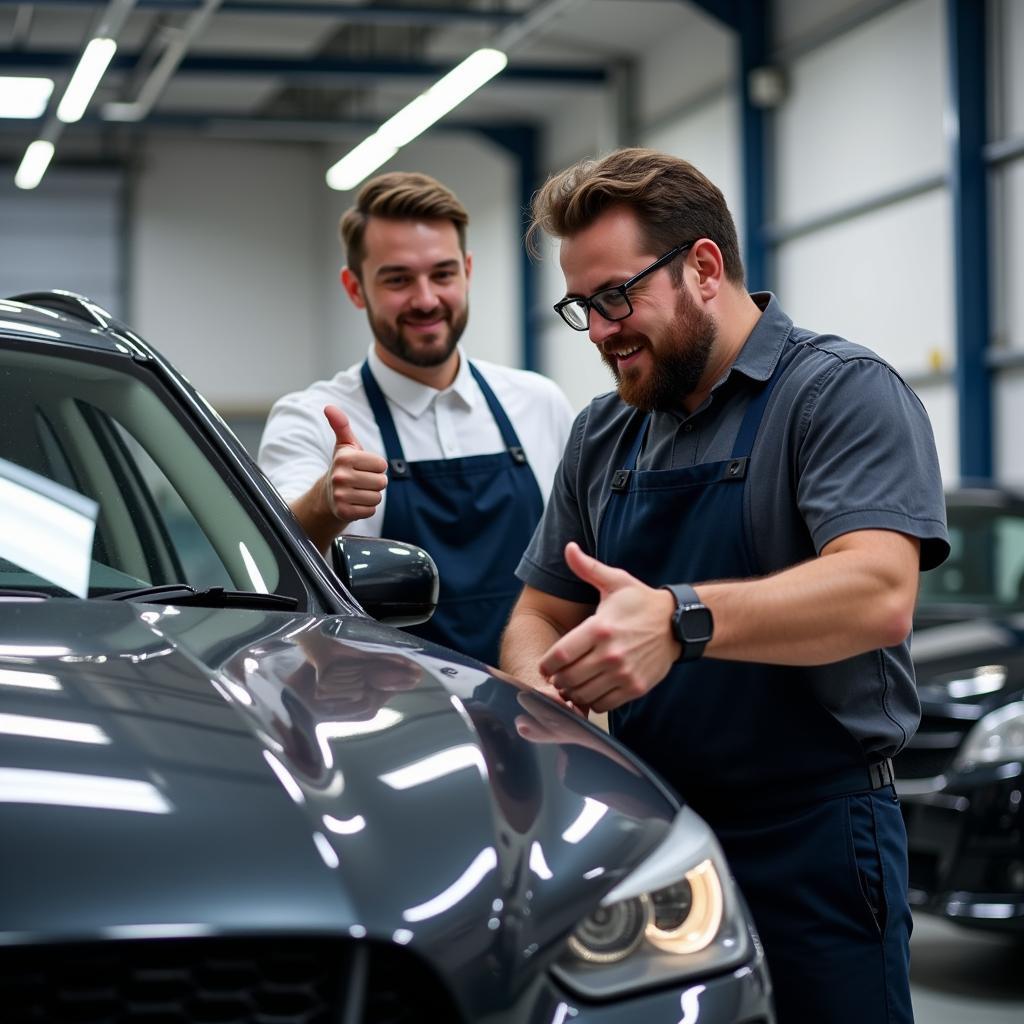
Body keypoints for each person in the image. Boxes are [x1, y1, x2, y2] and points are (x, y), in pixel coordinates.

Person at [500, 148, 948, 1024]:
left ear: (704, 268)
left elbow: (877, 590)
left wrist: (679, 619)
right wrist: (540, 694)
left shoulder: (838, 395)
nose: (598, 331)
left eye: (616, 297)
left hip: (814, 841)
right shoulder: (604, 434)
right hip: (654, 837)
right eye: (582, 307)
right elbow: (539, 608)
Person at [259, 171, 573, 666]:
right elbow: (272, 564)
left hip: (531, 703)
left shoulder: (539, 403)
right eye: (398, 279)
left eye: (443, 274)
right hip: (388, 716)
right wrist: (324, 503)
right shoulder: (311, 418)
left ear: (467, 271)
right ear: (355, 287)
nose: (426, 299)